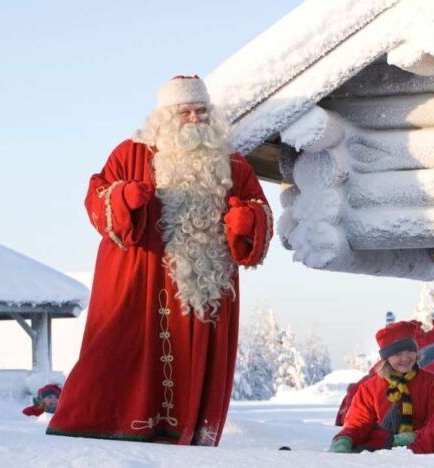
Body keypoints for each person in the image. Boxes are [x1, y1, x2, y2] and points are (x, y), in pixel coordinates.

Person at [47, 76, 272, 446]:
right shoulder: (130, 153)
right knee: (118, 351)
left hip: (206, 286)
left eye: (202, 112)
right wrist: (122, 198)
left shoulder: (233, 165)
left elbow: (260, 212)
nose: (195, 120)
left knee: (190, 363)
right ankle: (95, 430)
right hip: (141, 280)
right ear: (166, 117)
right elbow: (95, 197)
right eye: (186, 112)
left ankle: (183, 435)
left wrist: (248, 221)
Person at [329, 321, 434, 452]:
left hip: (420, 449)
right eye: (398, 354)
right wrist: (345, 439)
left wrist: (414, 437)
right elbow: (358, 423)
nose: (405, 358)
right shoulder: (370, 388)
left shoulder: (431, 383)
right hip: (379, 451)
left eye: (410, 351)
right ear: (386, 358)